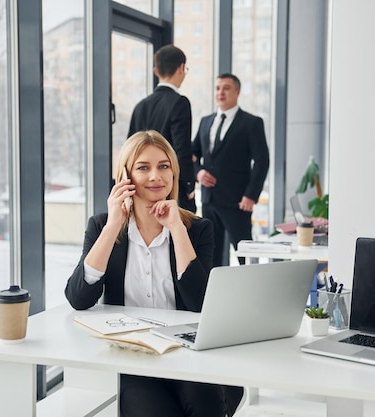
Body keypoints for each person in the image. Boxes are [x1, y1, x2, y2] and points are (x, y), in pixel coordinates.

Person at [65, 130, 243, 417]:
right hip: (134, 357)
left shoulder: (197, 229)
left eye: (163, 166)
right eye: (143, 167)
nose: (155, 176)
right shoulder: (101, 226)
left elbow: (200, 304)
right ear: (125, 176)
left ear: (174, 173)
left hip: (185, 353)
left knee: (204, 401)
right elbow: (79, 297)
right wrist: (113, 226)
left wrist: (177, 229)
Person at [192, 73, 270, 267]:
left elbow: (262, 161)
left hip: (238, 202)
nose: (221, 92)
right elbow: (191, 155)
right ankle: (215, 295)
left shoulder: (252, 122)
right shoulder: (205, 121)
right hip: (209, 200)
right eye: (218, 88)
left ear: (237, 91)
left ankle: (251, 293)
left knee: (244, 254)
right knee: (211, 254)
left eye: (226, 88)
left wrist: (251, 196)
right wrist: (198, 172)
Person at [128, 44, 196, 213]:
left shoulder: (140, 106)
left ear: (156, 71)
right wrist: (188, 185)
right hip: (170, 188)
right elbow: (182, 148)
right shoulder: (180, 102)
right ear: (181, 68)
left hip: (142, 188)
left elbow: (129, 150)